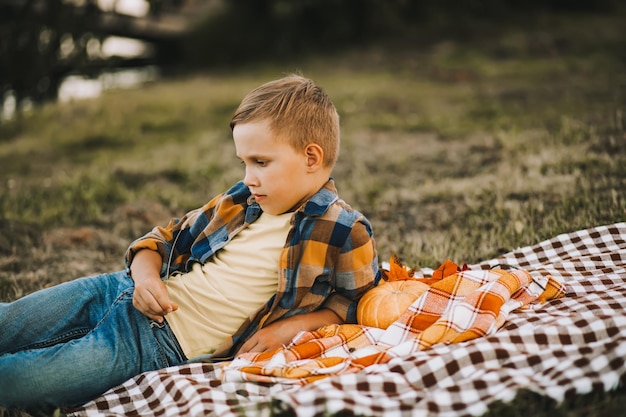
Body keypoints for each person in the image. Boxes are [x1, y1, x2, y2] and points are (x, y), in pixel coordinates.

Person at [0, 74, 380, 414]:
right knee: (10, 322)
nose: (248, 177)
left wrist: (288, 329)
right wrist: (145, 277)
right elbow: (161, 239)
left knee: (20, 381)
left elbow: (354, 306)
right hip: (118, 290)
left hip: (155, 344)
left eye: (260, 162)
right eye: (243, 163)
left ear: (311, 157)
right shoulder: (241, 200)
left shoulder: (345, 230)